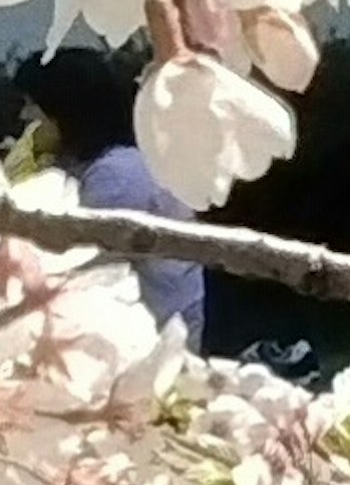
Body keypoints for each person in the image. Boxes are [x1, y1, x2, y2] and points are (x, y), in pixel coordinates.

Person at [15, 44, 207, 345]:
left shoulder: (116, 177)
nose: (24, 116)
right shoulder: (114, 165)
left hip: (145, 351)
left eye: (32, 105)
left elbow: (80, 272)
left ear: (64, 110)